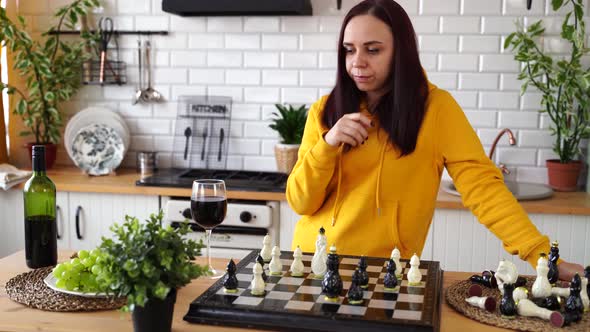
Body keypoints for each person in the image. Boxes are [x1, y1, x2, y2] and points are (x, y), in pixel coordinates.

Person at [286, 0, 583, 280]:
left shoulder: (437, 110)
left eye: (373, 50)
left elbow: (484, 189)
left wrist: (543, 258)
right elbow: (301, 202)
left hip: (386, 276)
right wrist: (327, 145)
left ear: (400, 51)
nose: (357, 62)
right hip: (312, 265)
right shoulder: (325, 111)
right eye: (349, 50)